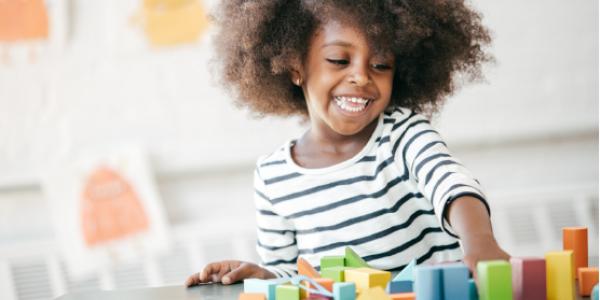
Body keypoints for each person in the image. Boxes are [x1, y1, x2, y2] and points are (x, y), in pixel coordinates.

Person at [186, 0, 509, 287]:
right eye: (340, 60)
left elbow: (451, 184)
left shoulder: (403, 135)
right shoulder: (273, 178)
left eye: (380, 65)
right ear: (295, 67)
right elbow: (292, 278)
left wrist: (479, 241)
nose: (362, 76)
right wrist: (264, 276)